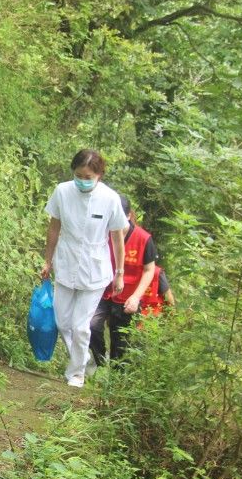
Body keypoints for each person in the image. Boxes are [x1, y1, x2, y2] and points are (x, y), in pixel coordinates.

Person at [41, 149, 127, 387]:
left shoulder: (110, 199)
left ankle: (76, 373)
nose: (83, 181)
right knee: (62, 321)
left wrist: (120, 273)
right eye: (79, 175)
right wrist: (47, 261)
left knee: (81, 326)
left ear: (99, 175)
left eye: (88, 177)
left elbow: (117, 237)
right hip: (66, 263)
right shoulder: (62, 191)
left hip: (95, 269)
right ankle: (85, 359)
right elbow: (54, 228)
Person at [88, 194, 158, 366]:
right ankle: (100, 364)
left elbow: (149, 270)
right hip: (103, 291)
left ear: (128, 216)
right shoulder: (103, 233)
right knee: (91, 326)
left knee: (120, 341)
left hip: (128, 296)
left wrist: (136, 297)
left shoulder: (143, 239)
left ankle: (114, 380)